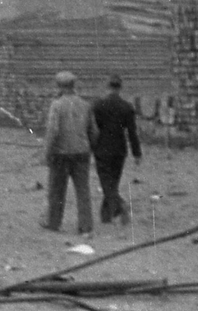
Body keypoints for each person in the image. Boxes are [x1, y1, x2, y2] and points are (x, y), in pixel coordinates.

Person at [40, 70, 99, 235]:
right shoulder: (85, 105)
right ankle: (85, 225)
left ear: (59, 87)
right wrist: (90, 148)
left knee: (57, 190)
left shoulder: (56, 105)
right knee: (83, 191)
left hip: (61, 154)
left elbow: (53, 131)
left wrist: (46, 153)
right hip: (82, 153)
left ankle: (54, 223)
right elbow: (94, 131)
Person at [91, 74, 142, 225]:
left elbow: (94, 129)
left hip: (102, 148)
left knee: (107, 183)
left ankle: (120, 205)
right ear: (120, 88)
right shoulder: (127, 107)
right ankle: (106, 216)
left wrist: (91, 146)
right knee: (112, 182)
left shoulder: (98, 105)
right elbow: (132, 132)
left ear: (107, 87)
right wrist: (137, 153)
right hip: (120, 150)